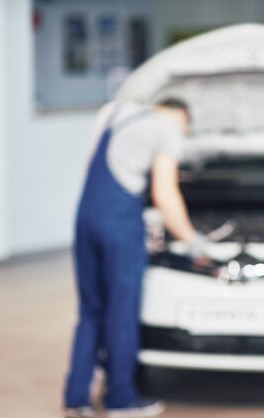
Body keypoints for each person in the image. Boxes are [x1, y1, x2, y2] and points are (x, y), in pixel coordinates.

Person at [63, 98, 207, 418]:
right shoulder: (168, 130)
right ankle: (121, 399)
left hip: (86, 218)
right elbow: (164, 194)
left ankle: (76, 398)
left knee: (89, 310)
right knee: (122, 312)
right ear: (182, 118)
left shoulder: (114, 111)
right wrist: (193, 240)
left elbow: (92, 164)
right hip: (120, 226)